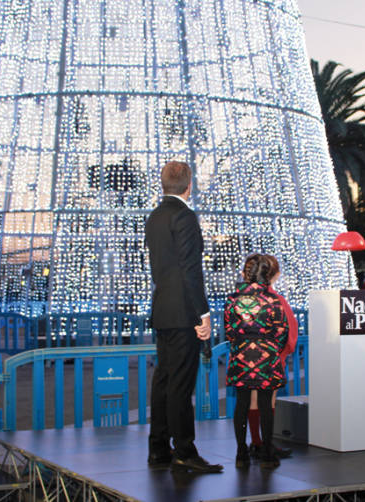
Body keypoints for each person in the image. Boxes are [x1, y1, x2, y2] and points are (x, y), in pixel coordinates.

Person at [144, 161, 222, 473]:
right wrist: (203, 314)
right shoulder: (184, 216)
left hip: (162, 310)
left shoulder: (155, 217)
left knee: (163, 381)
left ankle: (158, 448)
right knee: (180, 384)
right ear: (189, 186)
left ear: (163, 185)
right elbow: (191, 271)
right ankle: (185, 451)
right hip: (183, 313)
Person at [225, 254, 289, 469]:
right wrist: (269, 348)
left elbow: (229, 330)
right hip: (267, 358)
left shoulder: (233, 299)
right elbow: (282, 331)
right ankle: (267, 452)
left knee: (241, 404)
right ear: (267, 275)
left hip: (241, 357)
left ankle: (241, 452)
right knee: (265, 404)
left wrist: (243, 345)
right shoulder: (273, 300)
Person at [244, 254, 295, 461]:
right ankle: (265, 444)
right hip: (271, 357)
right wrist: (283, 352)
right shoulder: (277, 300)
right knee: (268, 401)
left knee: (251, 400)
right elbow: (289, 331)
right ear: (274, 275)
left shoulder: (241, 298)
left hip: (246, 357)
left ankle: (254, 442)